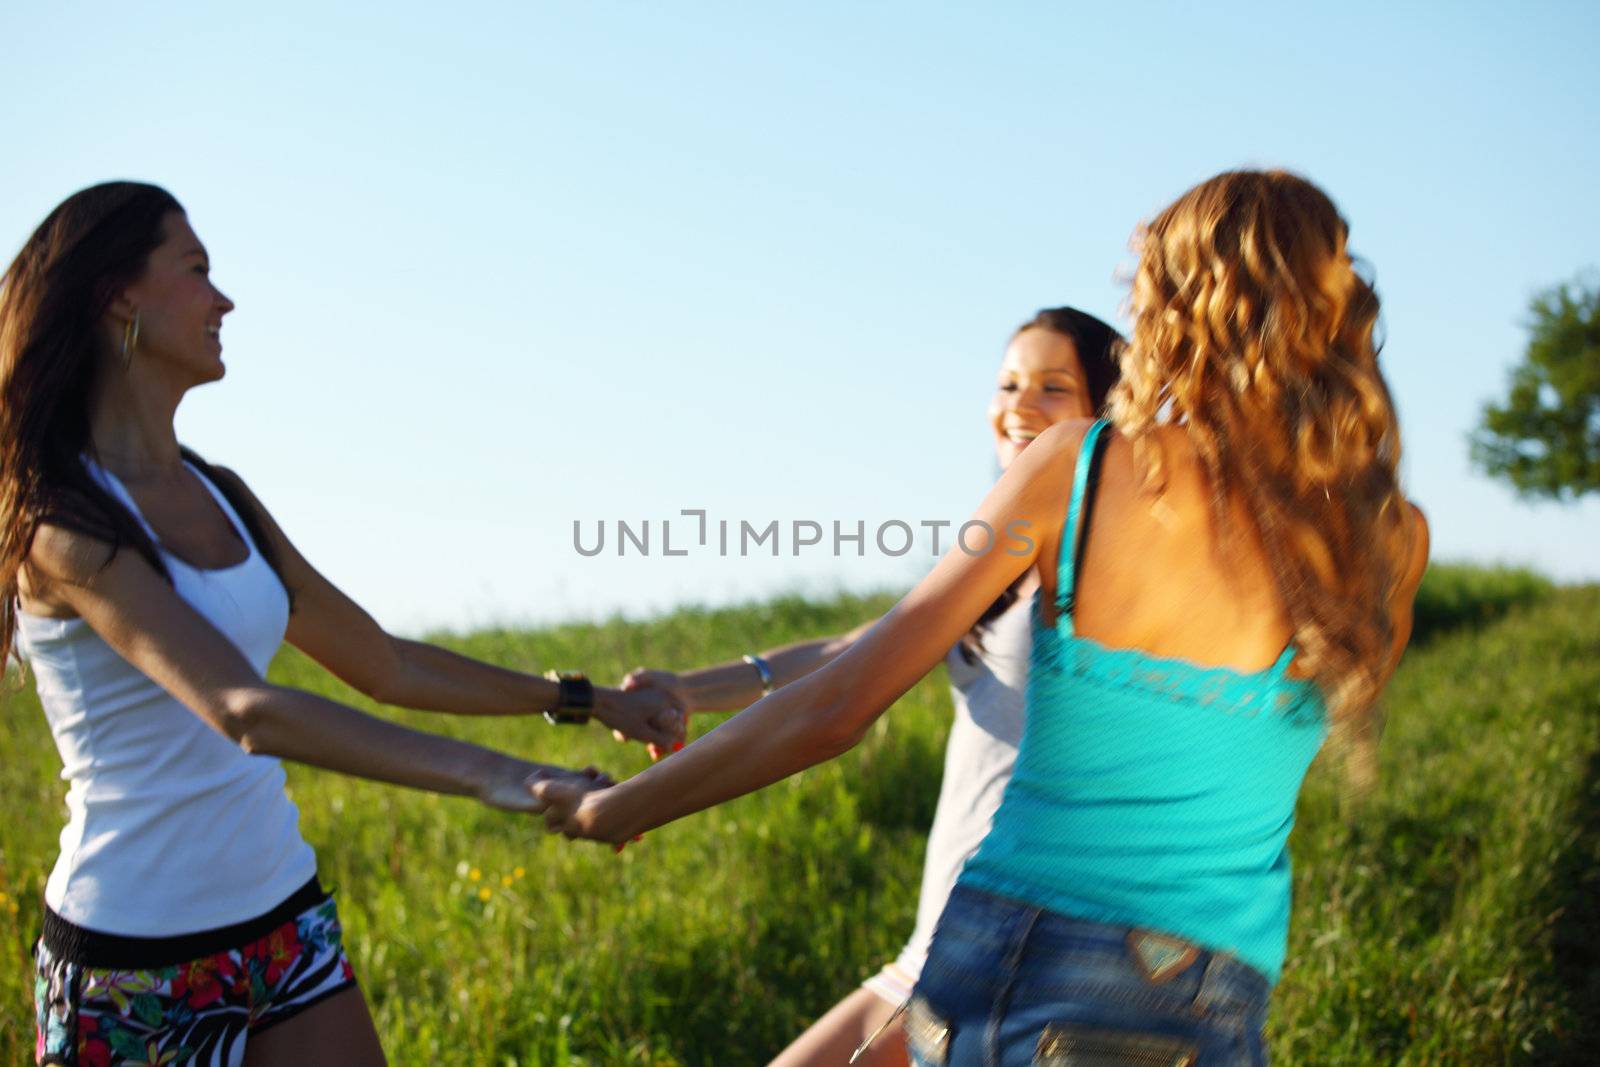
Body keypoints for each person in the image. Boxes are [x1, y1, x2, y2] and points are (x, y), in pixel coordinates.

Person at [538, 169, 1431, 1065]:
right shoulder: (1389, 539)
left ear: (1176, 302)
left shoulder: (1079, 470)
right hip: (1209, 996)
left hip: (1008, 962)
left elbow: (836, 703)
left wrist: (613, 812)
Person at [0, 181, 685, 1067]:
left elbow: (384, 661)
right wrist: (511, 780)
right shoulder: (63, 521)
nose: (225, 299)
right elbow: (247, 709)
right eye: (198, 270)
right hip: (135, 961)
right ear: (117, 296)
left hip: (282, 919)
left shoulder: (224, 494)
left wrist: (587, 701)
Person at [618, 307, 1122, 1067]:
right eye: (1009, 382)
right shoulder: (999, 554)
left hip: (1028, 949)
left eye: (1054, 386)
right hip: (938, 942)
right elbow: (852, 650)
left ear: (1104, 409)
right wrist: (690, 687)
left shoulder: (1107, 565)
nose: (1019, 405)